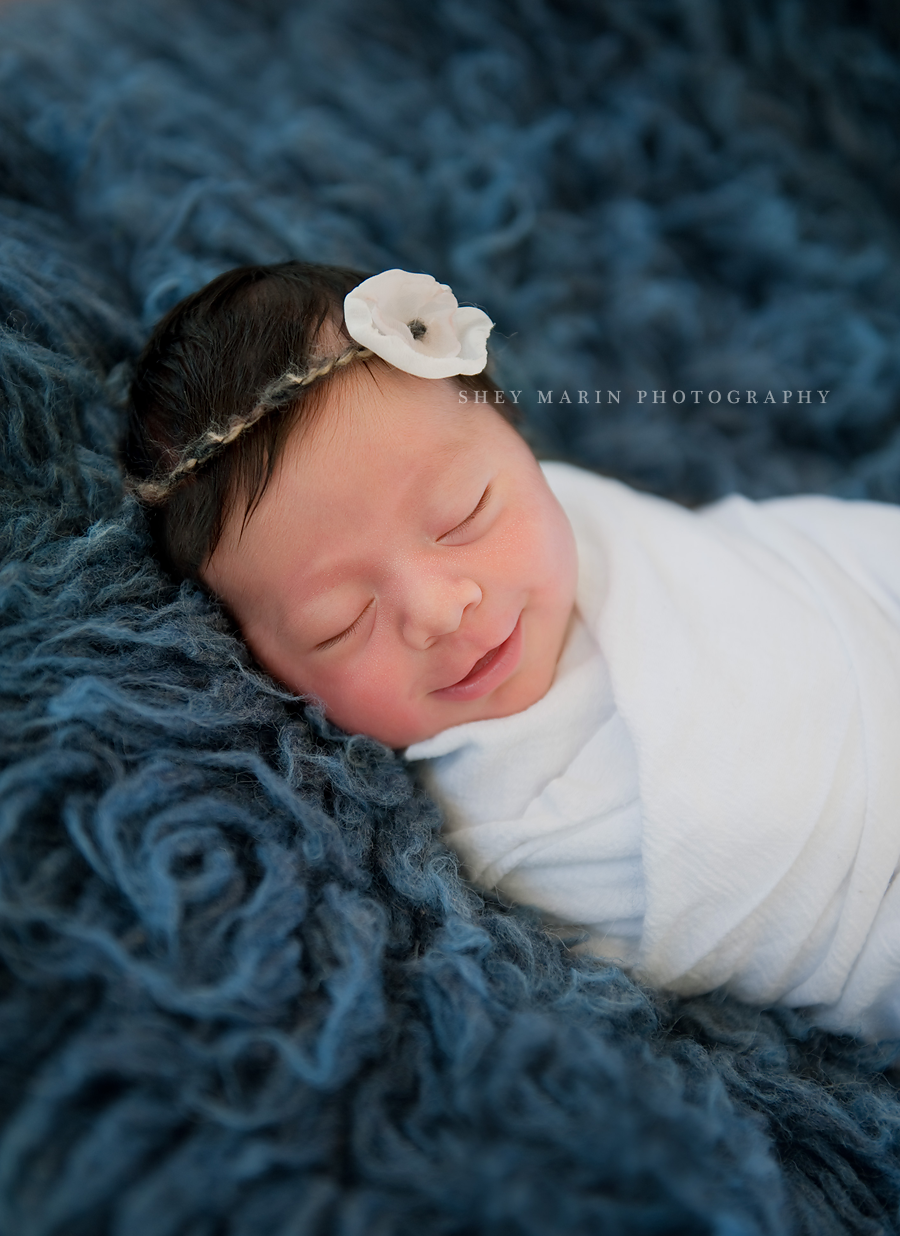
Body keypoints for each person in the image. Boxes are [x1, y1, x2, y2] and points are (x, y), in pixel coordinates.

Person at [123, 261, 900, 1044]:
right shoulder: (492, 842)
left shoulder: (599, 524)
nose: (440, 609)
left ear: (518, 440)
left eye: (466, 514)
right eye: (342, 622)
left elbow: (822, 557)